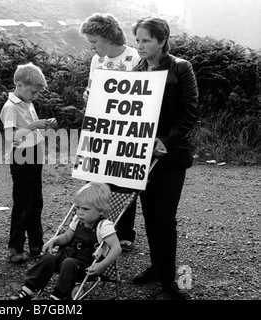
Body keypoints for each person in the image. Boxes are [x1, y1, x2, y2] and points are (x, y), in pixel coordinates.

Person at [130, 17, 198, 300]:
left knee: (164, 217)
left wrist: (165, 140)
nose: (140, 46)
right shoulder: (135, 71)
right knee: (148, 215)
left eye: (146, 40)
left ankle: (170, 280)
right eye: (137, 40)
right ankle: (157, 268)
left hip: (171, 156)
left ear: (162, 40)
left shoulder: (181, 68)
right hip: (141, 156)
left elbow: (190, 111)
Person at [79, 13, 140, 252]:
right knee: (97, 178)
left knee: (123, 179)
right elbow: (92, 87)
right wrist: (88, 94)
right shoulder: (97, 60)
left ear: (107, 36)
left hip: (126, 130)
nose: (92, 46)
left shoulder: (134, 58)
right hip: (100, 129)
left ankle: (124, 232)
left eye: (94, 41)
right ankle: (96, 229)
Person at [10, 182, 122, 300]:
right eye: (77, 207)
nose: (79, 212)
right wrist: (54, 240)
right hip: (68, 256)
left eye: (85, 209)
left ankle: (57, 296)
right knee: (49, 258)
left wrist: (102, 265)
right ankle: (27, 290)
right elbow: (67, 237)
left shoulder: (104, 226)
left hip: (86, 266)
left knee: (69, 263)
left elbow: (116, 248)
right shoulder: (78, 220)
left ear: (100, 211)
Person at [0, 62, 57, 264]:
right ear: (20, 85)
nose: (35, 96)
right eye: (33, 92)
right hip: (21, 155)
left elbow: (32, 130)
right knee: (23, 202)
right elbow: (10, 137)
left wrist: (45, 125)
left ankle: (36, 244)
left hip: (34, 153)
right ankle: (15, 247)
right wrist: (34, 126)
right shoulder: (10, 107)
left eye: (37, 93)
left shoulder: (27, 102)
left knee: (36, 201)